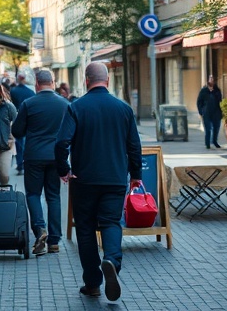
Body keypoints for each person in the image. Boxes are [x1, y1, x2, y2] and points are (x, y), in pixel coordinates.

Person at [56, 61, 142, 303]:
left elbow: (61, 142)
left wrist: (64, 169)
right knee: (111, 222)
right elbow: (134, 146)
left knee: (85, 228)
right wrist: (136, 175)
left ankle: (92, 283)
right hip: (115, 178)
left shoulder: (76, 107)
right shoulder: (123, 109)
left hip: (84, 179)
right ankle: (112, 260)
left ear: (86, 80)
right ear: (108, 80)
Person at [12, 69, 69, 256]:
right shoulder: (64, 104)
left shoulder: (29, 104)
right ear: (53, 82)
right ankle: (54, 241)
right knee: (53, 196)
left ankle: (39, 230)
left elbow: (17, 132)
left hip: (34, 156)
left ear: (36, 83)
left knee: (33, 194)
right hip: (56, 156)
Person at [9, 72, 35, 175]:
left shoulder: (13, 91)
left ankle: (20, 164)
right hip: (29, 119)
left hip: (18, 117)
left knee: (19, 143)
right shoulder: (30, 92)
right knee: (27, 141)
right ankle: (26, 162)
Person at [197, 74, 224, 149]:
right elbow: (199, 102)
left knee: (216, 128)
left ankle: (215, 141)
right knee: (208, 129)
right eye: (210, 78)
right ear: (208, 80)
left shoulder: (217, 90)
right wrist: (201, 111)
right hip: (206, 113)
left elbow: (220, 100)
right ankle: (207, 143)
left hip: (216, 112)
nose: (211, 80)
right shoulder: (203, 90)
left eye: (213, 79)